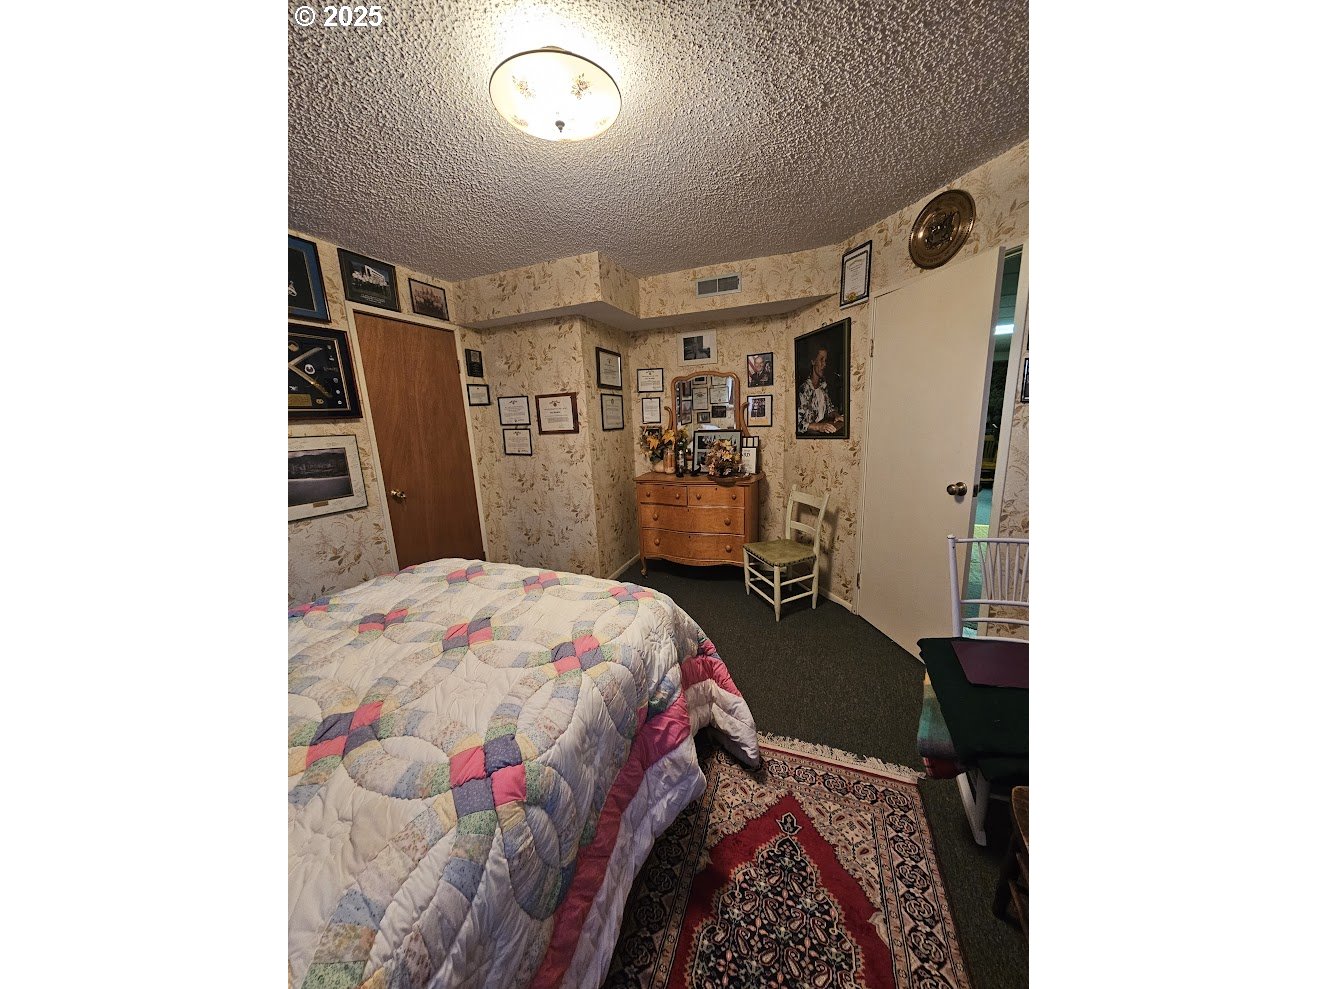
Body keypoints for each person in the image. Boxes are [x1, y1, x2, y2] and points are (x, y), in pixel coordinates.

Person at [797, 346, 845, 434]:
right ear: (813, 361)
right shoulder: (803, 389)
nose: (824, 364)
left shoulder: (823, 385)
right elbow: (798, 424)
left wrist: (837, 416)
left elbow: (829, 409)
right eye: (821, 359)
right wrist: (819, 427)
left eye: (825, 360)